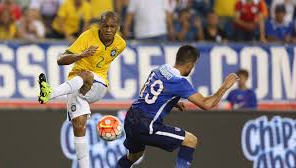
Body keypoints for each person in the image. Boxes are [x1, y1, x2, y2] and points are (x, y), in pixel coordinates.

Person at [117, 45, 239, 168]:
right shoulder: (179, 82)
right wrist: (225, 87)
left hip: (131, 118)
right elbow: (207, 104)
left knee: (133, 156)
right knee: (190, 140)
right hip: (146, 124)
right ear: (190, 64)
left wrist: (171, 101)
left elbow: (145, 90)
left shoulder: (160, 69)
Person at [37, 12, 126, 168]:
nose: (108, 30)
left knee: (85, 75)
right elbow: (60, 60)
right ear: (100, 25)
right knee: (79, 126)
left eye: (112, 27)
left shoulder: (120, 44)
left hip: (99, 84)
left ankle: (50, 94)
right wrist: (82, 55)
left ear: (117, 28)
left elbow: (104, 60)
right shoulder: (88, 36)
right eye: (105, 26)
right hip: (76, 86)